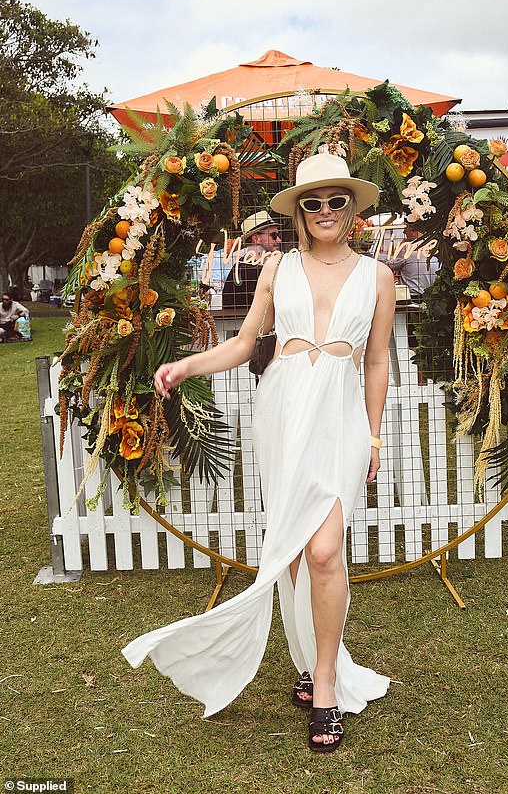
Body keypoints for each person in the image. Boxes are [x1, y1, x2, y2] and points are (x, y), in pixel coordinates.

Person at [123, 150, 396, 753]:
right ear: (299, 211)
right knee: (298, 549)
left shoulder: (378, 275)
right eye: (312, 202)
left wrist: (374, 435)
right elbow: (246, 343)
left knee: (325, 550)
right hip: (283, 410)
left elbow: (377, 361)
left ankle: (325, 679)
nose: (325, 211)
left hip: (342, 416)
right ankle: (309, 658)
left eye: (335, 200)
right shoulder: (277, 266)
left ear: (352, 209)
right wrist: (189, 364)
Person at [221, 210, 282, 310]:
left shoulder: (247, 264)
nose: (279, 240)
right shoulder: (249, 267)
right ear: (256, 238)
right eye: (273, 235)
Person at [386, 223, 439, 302]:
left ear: (412, 228)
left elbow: (391, 265)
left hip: (410, 297)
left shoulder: (407, 247)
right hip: (432, 296)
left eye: (405, 227)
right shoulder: (434, 245)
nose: (404, 232)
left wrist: (400, 246)